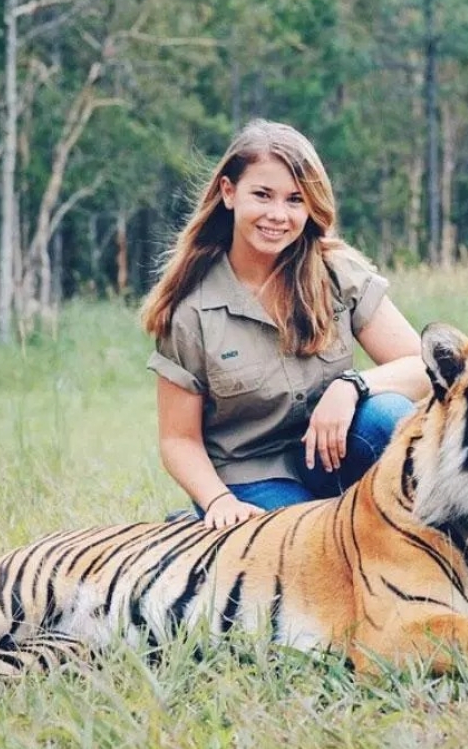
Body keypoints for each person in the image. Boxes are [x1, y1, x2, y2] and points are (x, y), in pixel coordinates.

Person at [140, 119, 431, 530]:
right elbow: (178, 440)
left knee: (389, 417)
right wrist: (218, 500)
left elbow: (422, 365)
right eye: (263, 195)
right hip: (250, 477)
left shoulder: (335, 271)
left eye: (295, 200)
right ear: (228, 192)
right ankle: (199, 528)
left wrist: (350, 387)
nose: (278, 215)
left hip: (329, 453)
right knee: (308, 544)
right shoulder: (189, 310)